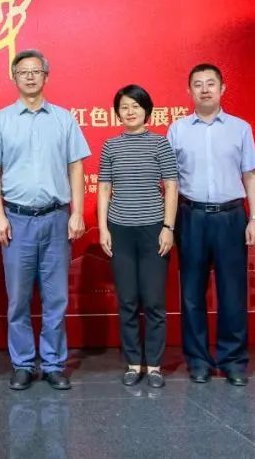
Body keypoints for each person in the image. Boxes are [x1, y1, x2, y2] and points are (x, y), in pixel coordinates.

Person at [0, 49, 90, 391]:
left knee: (56, 298)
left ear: (46, 76)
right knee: (18, 299)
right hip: (17, 220)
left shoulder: (64, 119)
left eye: (36, 71)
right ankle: (23, 363)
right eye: (23, 72)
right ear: (13, 77)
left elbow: (76, 166)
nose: (29, 76)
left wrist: (77, 212)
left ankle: (54, 364)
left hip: (56, 218)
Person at [167, 63, 255, 386]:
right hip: (190, 216)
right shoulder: (177, 130)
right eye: (198, 84)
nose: (204, 89)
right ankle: (197, 361)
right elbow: (169, 182)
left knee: (232, 292)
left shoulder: (240, 128)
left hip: (231, 217)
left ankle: (233, 360)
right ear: (189, 91)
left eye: (211, 83)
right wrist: (170, 222)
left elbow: (251, 176)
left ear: (222, 89)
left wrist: (254, 218)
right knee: (192, 293)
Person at [97, 84, 178, 389]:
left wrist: (168, 227)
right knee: (128, 301)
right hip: (120, 229)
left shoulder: (160, 144)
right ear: (117, 113)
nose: (130, 111)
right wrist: (103, 228)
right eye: (124, 107)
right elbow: (104, 188)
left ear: (147, 110)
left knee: (154, 301)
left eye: (135, 106)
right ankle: (133, 363)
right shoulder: (110, 146)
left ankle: (154, 365)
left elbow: (171, 186)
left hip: (153, 230)